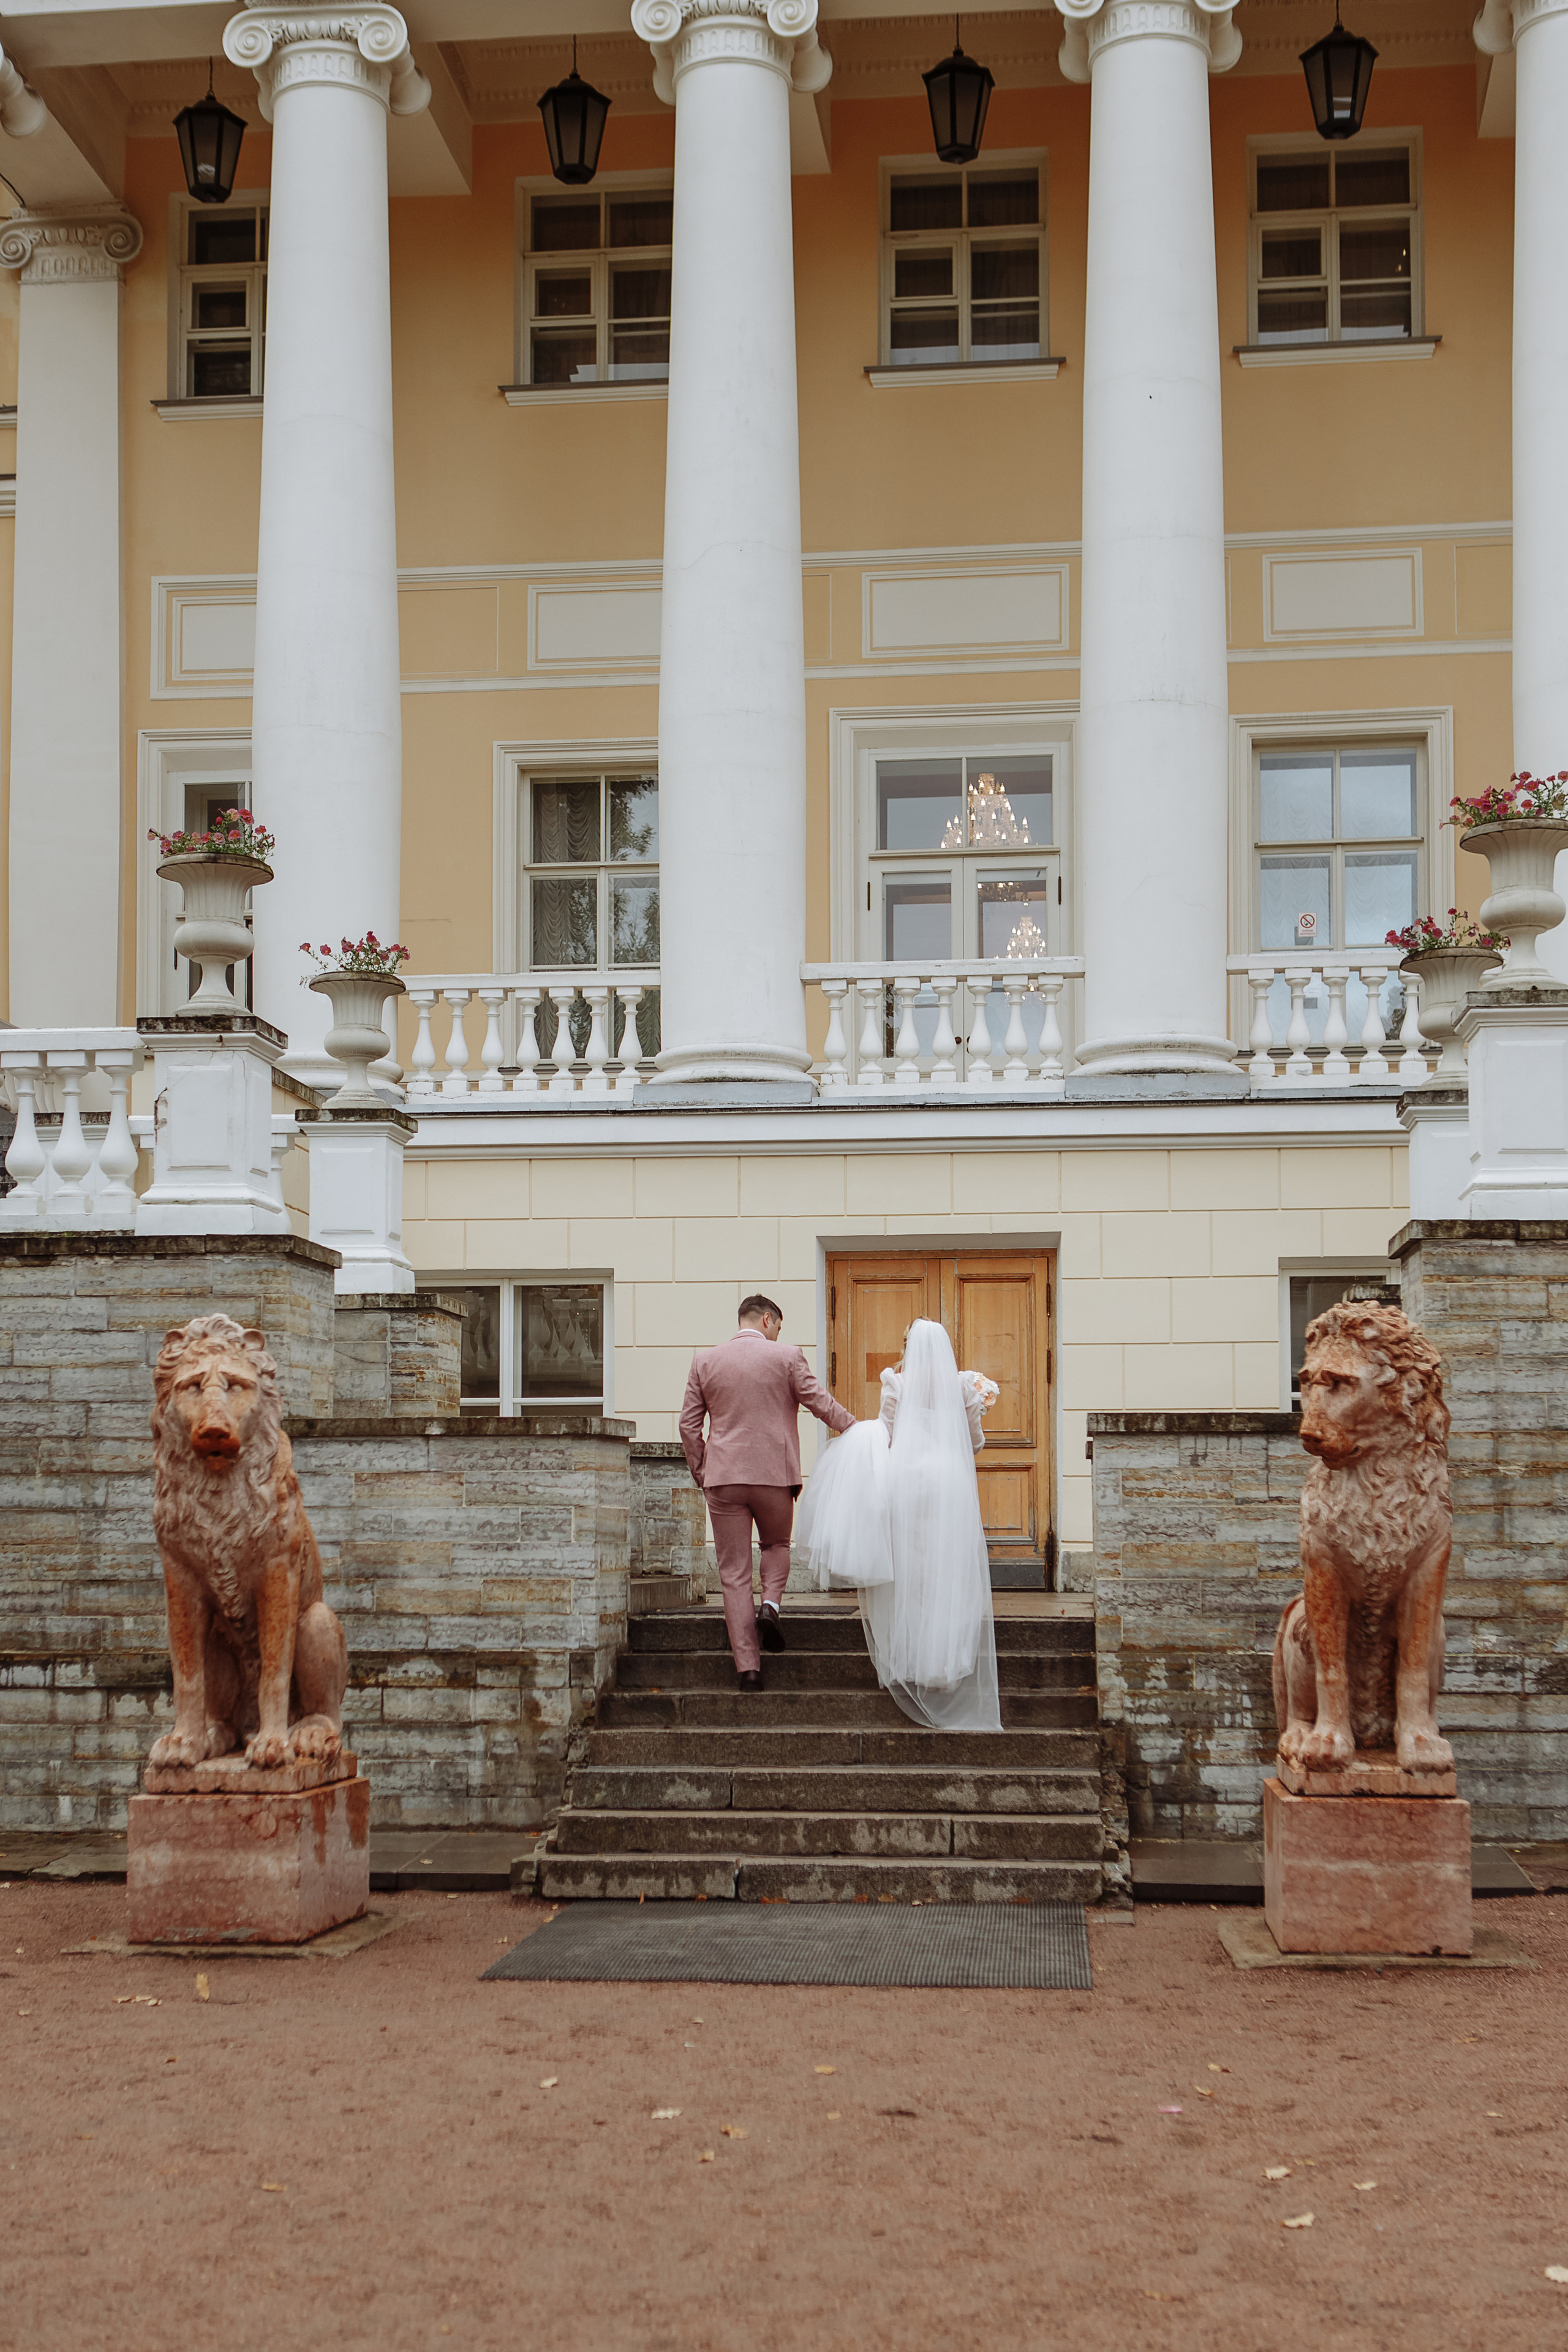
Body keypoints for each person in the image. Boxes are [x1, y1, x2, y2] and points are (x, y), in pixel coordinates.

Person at [796, 1317, 1002, 1733]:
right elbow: (975, 1443)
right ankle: (942, 1665)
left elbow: (887, 1436)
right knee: (945, 1575)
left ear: (909, 1347)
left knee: (911, 1575)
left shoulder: (897, 1384)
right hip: (949, 1485)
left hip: (906, 1484)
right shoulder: (964, 1386)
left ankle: (908, 1660)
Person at [679, 1294, 854, 1690]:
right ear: (767, 1320)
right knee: (776, 1546)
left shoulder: (704, 1361)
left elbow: (688, 1426)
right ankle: (771, 1606)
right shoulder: (788, 1357)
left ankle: (749, 1670)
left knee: (733, 1574)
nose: (777, 1334)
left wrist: (703, 1471)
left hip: (724, 1478)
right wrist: (858, 1428)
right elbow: (821, 1404)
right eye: (778, 1326)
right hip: (775, 1476)